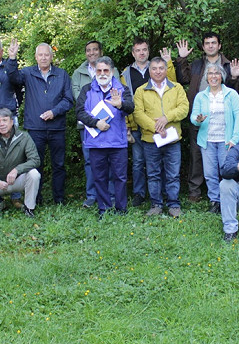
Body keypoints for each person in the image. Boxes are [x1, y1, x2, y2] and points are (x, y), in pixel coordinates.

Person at [10, 41, 74, 204]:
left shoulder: (62, 74)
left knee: (58, 165)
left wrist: (54, 112)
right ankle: (35, 199)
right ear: (36, 57)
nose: (44, 58)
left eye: (47, 55)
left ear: (52, 57)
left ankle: (59, 199)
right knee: (34, 165)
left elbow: (68, 100)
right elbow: (12, 78)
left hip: (57, 128)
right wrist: (12, 58)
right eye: (41, 55)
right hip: (35, 128)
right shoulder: (27, 73)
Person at [175, 32, 233, 203]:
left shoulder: (228, 65)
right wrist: (182, 59)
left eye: (213, 43)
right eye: (207, 43)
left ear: (219, 45)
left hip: (223, 119)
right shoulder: (197, 64)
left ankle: (223, 192)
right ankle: (195, 190)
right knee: (197, 155)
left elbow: (236, 90)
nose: (210, 46)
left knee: (223, 158)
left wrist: (235, 76)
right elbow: (183, 79)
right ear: (204, 46)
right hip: (199, 116)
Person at [120, 38, 178, 207]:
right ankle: (139, 193)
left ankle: (167, 195)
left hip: (165, 128)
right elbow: (126, 99)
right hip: (138, 125)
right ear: (133, 53)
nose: (141, 53)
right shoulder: (126, 73)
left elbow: (173, 84)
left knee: (164, 162)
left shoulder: (157, 67)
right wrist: (128, 124)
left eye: (144, 49)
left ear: (148, 51)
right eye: (138, 50)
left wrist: (169, 63)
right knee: (138, 162)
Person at [76, 57, 135, 217]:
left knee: (120, 178)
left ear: (113, 71)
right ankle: (104, 209)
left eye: (106, 70)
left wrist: (120, 104)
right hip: (96, 143)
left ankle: (121, 209)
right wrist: (96, 123)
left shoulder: (122, 88)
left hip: (117, 143)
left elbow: (131, 108)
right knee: (100, 178)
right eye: (99, 70)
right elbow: (79, 112)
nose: (102, 74)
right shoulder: (86, 89)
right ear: (95, 72)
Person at [133, 56, 189, 217]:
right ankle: (156, 205)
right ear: (149, 71)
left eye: (161, 68)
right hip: (151, 140)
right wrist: (155, 127)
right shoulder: (141, 90)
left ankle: (173, 205)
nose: (158, 71)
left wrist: (167, 118)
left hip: (172, 139)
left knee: (173, 174)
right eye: (154, 68)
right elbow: (138, 114)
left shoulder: (176, 88)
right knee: (153, 174)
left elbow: (184, 108)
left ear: (166, 70)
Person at [190, 63, 239, 214]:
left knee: (226, 172)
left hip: (226, 141)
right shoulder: (201, 96)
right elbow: (193, 117)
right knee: (209, 174)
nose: (213, 76)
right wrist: (198, 119)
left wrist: (235, 138)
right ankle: (215, 201)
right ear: (206, 77)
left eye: (217, 73)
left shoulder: (231, 94)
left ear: (222, 76)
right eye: (210, 73)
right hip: (207, 141)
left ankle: (230, 200)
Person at [71, 40, 118, 207]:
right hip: (87, 125)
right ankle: (92, 196)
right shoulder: (78, 73)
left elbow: (116, 94)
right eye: (88, 50)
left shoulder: (113, 70)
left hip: (110, 123)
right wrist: (94, 120)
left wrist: (104, 117)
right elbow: (79, 99)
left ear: (100, 51)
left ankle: (111, 196)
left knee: (111, 161)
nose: (91, 53)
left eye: (95, 50)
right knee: (90, 161)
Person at [0, 108, 41, 217]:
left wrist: (17, 170)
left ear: (11, 121)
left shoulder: (24, 137)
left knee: (34, 174)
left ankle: (29, 208)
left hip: (17, 181)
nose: (2, 124)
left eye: (5, 120)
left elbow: (35, 160)